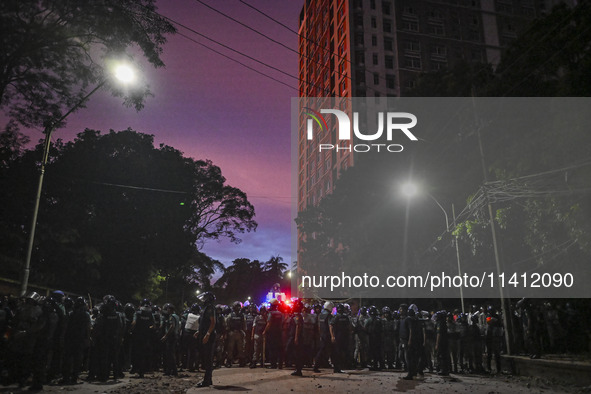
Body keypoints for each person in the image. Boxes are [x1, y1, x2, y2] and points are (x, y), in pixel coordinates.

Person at [195, 291, 216, 388]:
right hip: (203, 334)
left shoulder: (210, 308)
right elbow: (204, 322)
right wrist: (199, 331)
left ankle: (206, 381)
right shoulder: (206, 308)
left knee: (208, 359)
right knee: (205, 358)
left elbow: (212, 322)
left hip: (209, 337)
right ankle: (208, 380)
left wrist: (207, 334)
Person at [313, 301, 333, 373]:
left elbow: (319, 326)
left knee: (321, 351)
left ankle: (317, 365)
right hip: (327, 335)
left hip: (322, 335)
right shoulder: (329, 315)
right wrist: (332, 336)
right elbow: (330, 326)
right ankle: (316, 366)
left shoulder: (321, 315)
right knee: (329, 351)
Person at [263, 298, 283, 369]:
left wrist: (265, 331)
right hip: (279, 333)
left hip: (272, 333)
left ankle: (273, 364)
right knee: (279, 349)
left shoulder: (271, 313)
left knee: (272, 349)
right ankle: (280, 364)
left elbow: (269, 323)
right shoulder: (280, 313)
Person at [289, 299, 304, 376]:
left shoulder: (297, 316)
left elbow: (298, 326)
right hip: (295, 336)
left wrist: (296, 338)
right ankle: (297, 369)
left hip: (296, 337)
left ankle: (298, 370)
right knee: (295, 353)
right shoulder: (297, 315)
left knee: (297, 353)